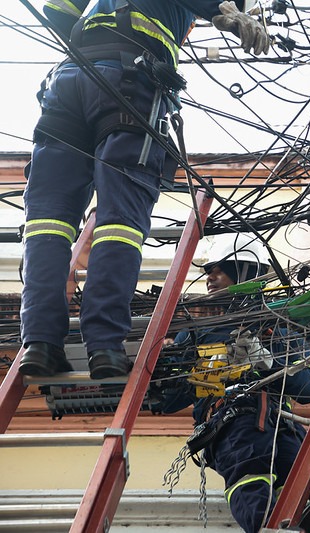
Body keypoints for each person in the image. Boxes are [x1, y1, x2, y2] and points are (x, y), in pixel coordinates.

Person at [19, 0, 269, 379]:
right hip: (128, 85)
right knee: (120, 221)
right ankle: (104, 345)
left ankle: (39, 342)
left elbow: (57, 10)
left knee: (46, 224)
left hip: (67, 84)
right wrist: (229, 14)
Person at [153, 248, 310, 533]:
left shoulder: (280, 329)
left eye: (220, 269)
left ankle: (299, 524)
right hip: (232, 420)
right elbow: (167, 401)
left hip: (282, 423)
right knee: (250, 469)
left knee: (296, 474)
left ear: (246, 273)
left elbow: (309, 388)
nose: (210, 277)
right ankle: (264, 527)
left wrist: (267, 359)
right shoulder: (198, 332)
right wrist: (168, 363)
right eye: (208, 271)